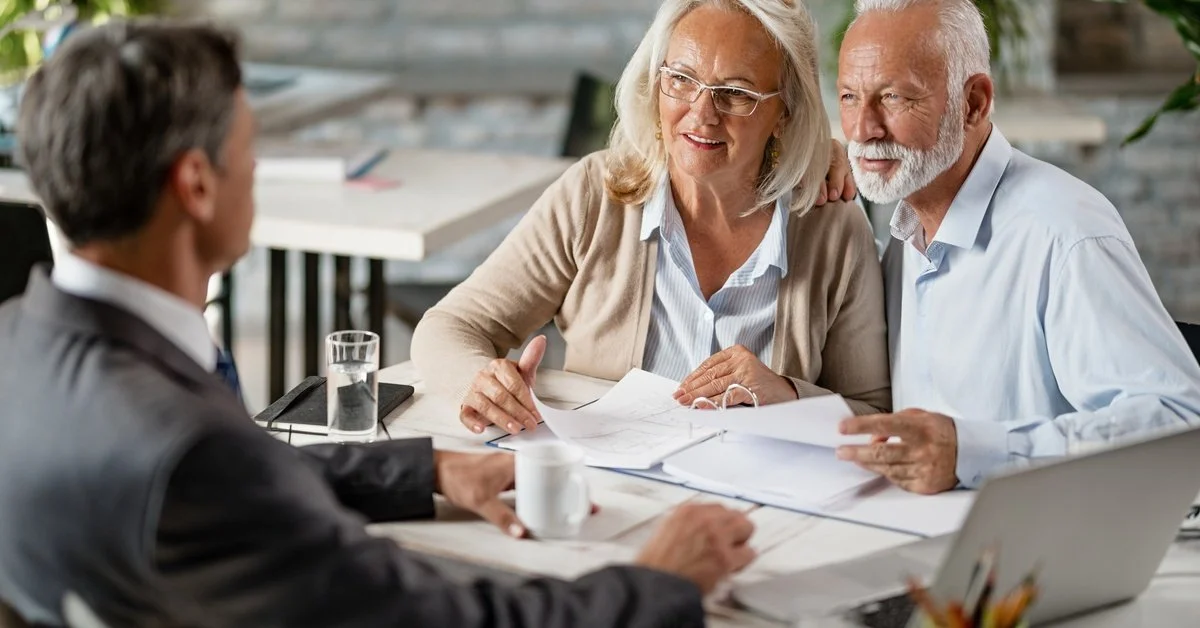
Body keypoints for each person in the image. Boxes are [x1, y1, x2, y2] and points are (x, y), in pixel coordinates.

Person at [0, 20, 758, 627]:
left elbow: (224, 492)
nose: (257, 171)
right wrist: (656, 582)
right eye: (249, 149)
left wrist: (424, 470)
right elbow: (431, 615)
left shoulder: (17, 344)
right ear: (197, 183)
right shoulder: (188, 449)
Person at [412, 0, 891, 437]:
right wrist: (480, 381)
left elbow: (873, 413)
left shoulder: (833, 227)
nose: (701, 113)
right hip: (608, 492)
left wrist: (787, 395)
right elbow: (451, 326)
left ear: (784, 112)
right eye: (680, 79)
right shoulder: (593, 197)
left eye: (735, 92)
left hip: (757, 513)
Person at [832, 0, 1200, 494]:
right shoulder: (904, 233)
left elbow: (1180, 423)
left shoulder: (1065, 233)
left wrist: (975, 452)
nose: (862, 130)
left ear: (975, 103)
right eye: (850, 97)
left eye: (894, 97)